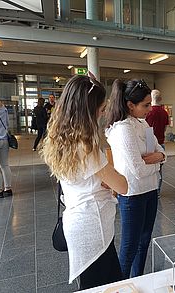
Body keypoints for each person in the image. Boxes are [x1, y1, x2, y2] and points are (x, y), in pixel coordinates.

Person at [41, 75, 128, 290]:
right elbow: (123, 186)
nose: (103, 113)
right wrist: (111, 178)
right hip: (92, 226)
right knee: (102, 285)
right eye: (100, 108)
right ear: (88, 112)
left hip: (78, 222)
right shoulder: (87, 149)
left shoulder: (60, 140)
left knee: (99, 282)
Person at [105, 79, 166, 279]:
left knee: (144, 241)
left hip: (150, 190)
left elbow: (160, 149)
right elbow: (138, 170)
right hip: (132, 194)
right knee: (130, 247)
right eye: (146, 105)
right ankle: (121, 286)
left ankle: (138, 281)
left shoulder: (142, 122)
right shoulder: (123, 129)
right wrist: (158, 162)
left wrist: (159, 157)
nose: (150, 109)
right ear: (130, 105)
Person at [146, 89, 169, 196]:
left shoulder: (149, 112)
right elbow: (165, 128)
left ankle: (151, 189)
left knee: (150, 168)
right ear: (160, 98)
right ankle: (158, 191)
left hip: (150, 144)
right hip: (161, 142)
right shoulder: (165, 112)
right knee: (159, 169)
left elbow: (146, 129)